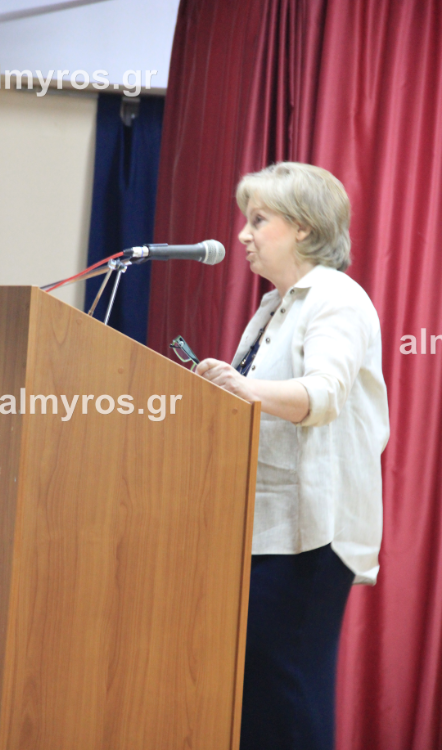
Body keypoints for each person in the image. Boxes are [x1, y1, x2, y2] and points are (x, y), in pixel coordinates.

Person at [196, 162, 389, 750]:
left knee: (287, 694)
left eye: (259, 220)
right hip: (265, 529)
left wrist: (243, 387)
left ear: (303, 227)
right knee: (258, 698)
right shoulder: (274, 306)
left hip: (311, 534)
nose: (243, 235)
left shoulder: (335, 298)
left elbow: (324, 395)